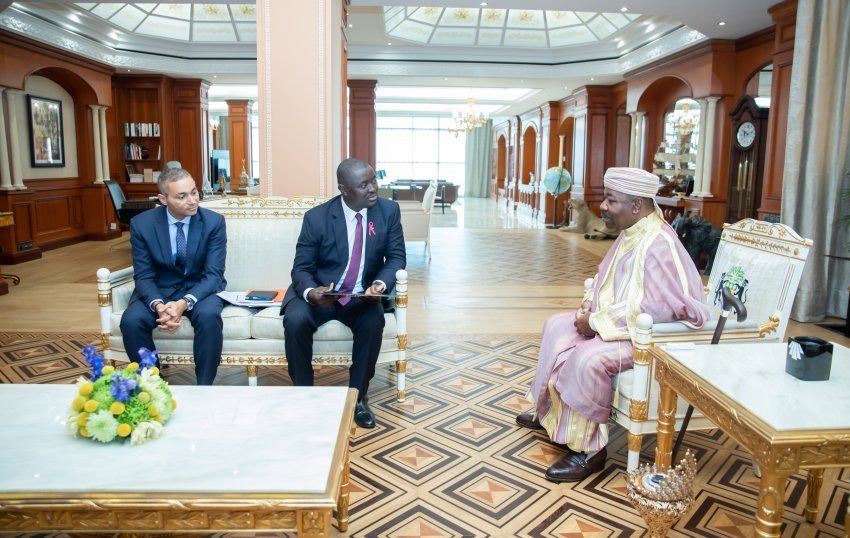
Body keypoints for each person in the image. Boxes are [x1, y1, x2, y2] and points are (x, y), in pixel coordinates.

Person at [516, 167, 710, 482]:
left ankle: (590, 450)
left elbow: (659, 309)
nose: (603, 207)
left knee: (588, 358)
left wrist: (593, 321)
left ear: (636, 205)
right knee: (556, 325)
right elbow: (607, 280)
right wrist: (589, 305)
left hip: (650, 339)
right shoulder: (632, 232)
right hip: (620, 325)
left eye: (610, 200)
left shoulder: (658, 243)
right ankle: (548, 413)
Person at [281, 158, 406, 428]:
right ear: (344, 189)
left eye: (374, 181)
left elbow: (396, 258)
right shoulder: (317, 218)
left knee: (373, 321)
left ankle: (358, 398)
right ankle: (304, 394)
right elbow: (301, 268)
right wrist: (312, 292)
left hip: (361, 296)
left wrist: (380, 285)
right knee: (295, 320)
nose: (373, 189)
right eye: (364, 185)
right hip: (321, 295)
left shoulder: (389, 211)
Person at [120, 167, 227, 385]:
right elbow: (144, 275)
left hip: (200, 290)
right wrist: (159, 305)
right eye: (182, 196)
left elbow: (214, 275)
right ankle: (152, 388)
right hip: (159, 289)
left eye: (194, 192)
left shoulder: (214, 223)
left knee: (208, 317)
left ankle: (204, 387)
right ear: (162, 199)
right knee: (131, 320)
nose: (192, 200)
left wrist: (183, 303)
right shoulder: (142, 225)